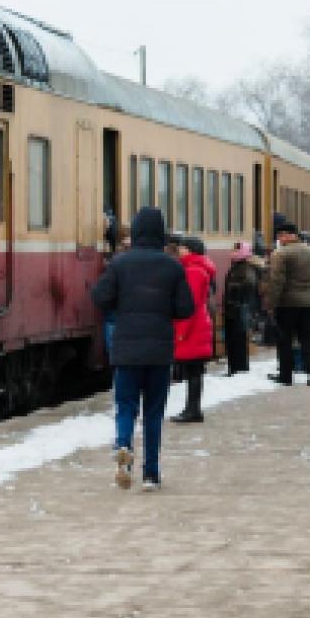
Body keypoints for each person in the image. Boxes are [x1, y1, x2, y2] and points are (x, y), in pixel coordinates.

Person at [92, 207, 196, 491]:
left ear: (135, 231)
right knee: (153, 412)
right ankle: (151, 474)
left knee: (125, 405)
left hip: (126, 346)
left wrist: (122, 306)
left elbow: (100, 297)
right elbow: (186, 308)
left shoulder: (120, 264)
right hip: (160, 349)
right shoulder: (172, 266)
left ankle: (123, 444)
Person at [265, 222, 310, 386]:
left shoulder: (281, 254)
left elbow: (277, 281)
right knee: (308, 338)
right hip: (309, 302)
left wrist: (271, 304)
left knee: (285, 340)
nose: (279, 239)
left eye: (280, 236)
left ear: (287, 235)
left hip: (287, 303)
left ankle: (286, 375)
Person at [172, 236, 217, 423]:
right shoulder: (198, 268)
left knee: (193, 371)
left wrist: (181, 332)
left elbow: (190, 304)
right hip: (198, 324)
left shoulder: (193, 272)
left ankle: (193, 410)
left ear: (189, 250)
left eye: (181, 248)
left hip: (193, 327)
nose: (179, 251)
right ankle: (192, 409)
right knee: (194, 371)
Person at [222, 241, 257, 376]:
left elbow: (249, 285)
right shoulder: (236, 267)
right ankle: (235, 367)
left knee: (238, 339)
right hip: (234, 308)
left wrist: (234, 289)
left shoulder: (245, 268)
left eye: (235, 250)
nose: (232, 252)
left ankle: (239, 367)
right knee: (233, 339)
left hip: (238, 309)